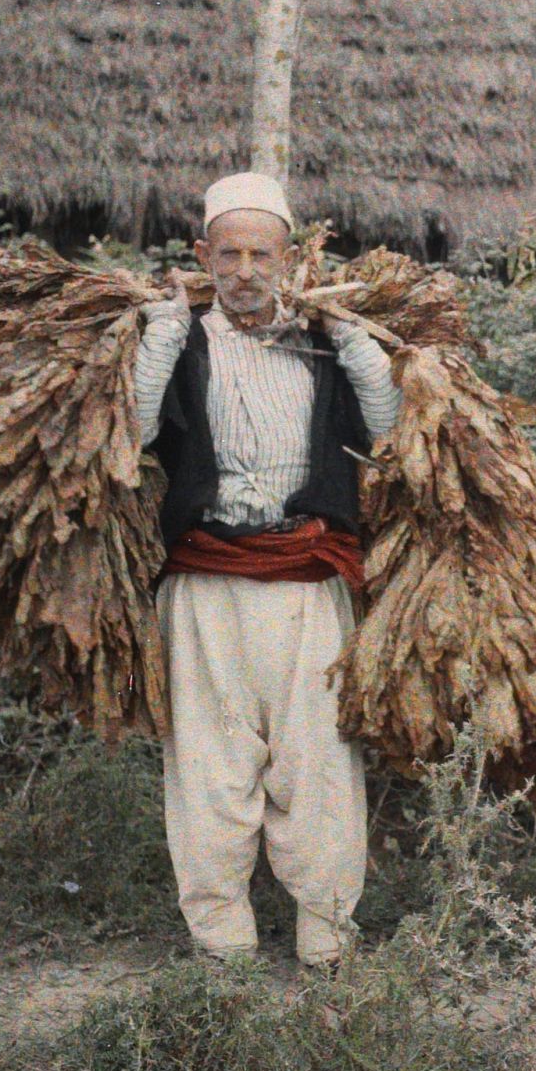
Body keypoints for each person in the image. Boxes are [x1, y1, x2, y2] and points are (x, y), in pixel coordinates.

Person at [133, 171, 401, 969]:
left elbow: (388, 437)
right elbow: (135, 432)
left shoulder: (322, 344)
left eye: (261, 254)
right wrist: (159, 338)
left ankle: (327, 942)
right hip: (206, 582)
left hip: (305, 582)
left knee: (317, 766)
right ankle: (223, 946)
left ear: (290, 258)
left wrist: (357, 344)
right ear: (202, 256)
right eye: (229, 254)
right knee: (210, 770)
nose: (245, 270)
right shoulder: (178, 341)